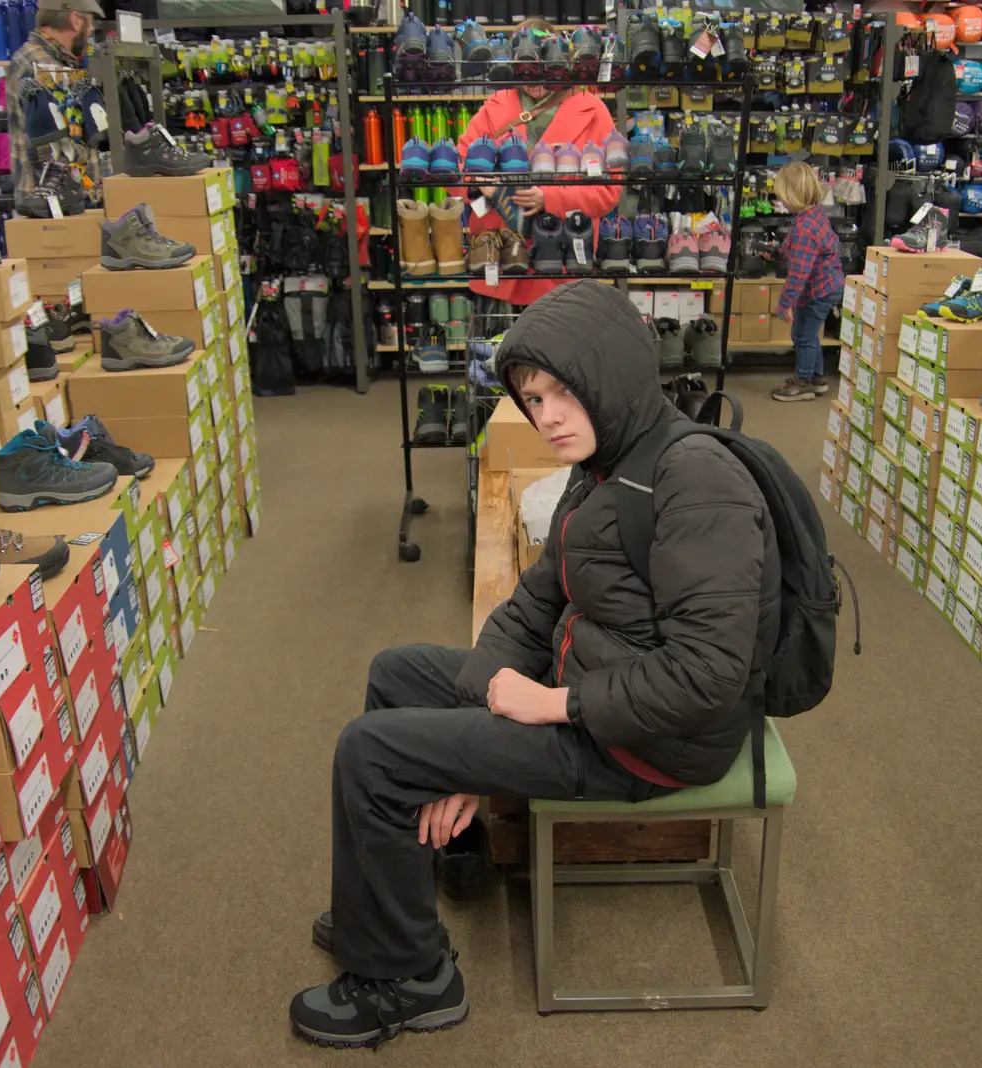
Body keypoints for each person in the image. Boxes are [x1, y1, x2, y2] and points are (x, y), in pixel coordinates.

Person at [288, 280, 781, 1048]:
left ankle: (411, 980)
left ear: (611, 375)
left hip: (645, 743)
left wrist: (546, 709)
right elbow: (532, 605)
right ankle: (443, 865)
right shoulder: (607, 462)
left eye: (562, 392)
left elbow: (707, 674)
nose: (545, 414)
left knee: (370, 753)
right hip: (590, 683)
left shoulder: (696, 481)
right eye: (532, 396)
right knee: (395, 671)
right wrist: (478, 725)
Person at [451, 20, 620, 305]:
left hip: (562, 265)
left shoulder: (593, 111)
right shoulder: (494, 109)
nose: (536, 80)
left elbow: (609, 191)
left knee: (557, 347)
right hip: (498, 263)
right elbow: (454, 176)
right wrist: (480, 187)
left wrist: (550, 198)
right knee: (497, 347)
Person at [6, 0, 101, 196]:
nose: (91, 29)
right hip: (52, 198)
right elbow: (52, 147)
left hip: (52, 194)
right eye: (90, 22)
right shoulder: (42, 65)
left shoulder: (49, 59)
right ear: (76, 21)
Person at [769, 161, 845, 403]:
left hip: (819, 290)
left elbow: (799, 273)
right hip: (827, 285)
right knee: (809, 334)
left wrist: (785, 304)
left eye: (782, 195)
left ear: (791, 195)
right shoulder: (812, 215)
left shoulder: (804, 229)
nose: (780, 199)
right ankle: (817, 378)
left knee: (802, 336)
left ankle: (803, 383)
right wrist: (776, 253)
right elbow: (797, 249)